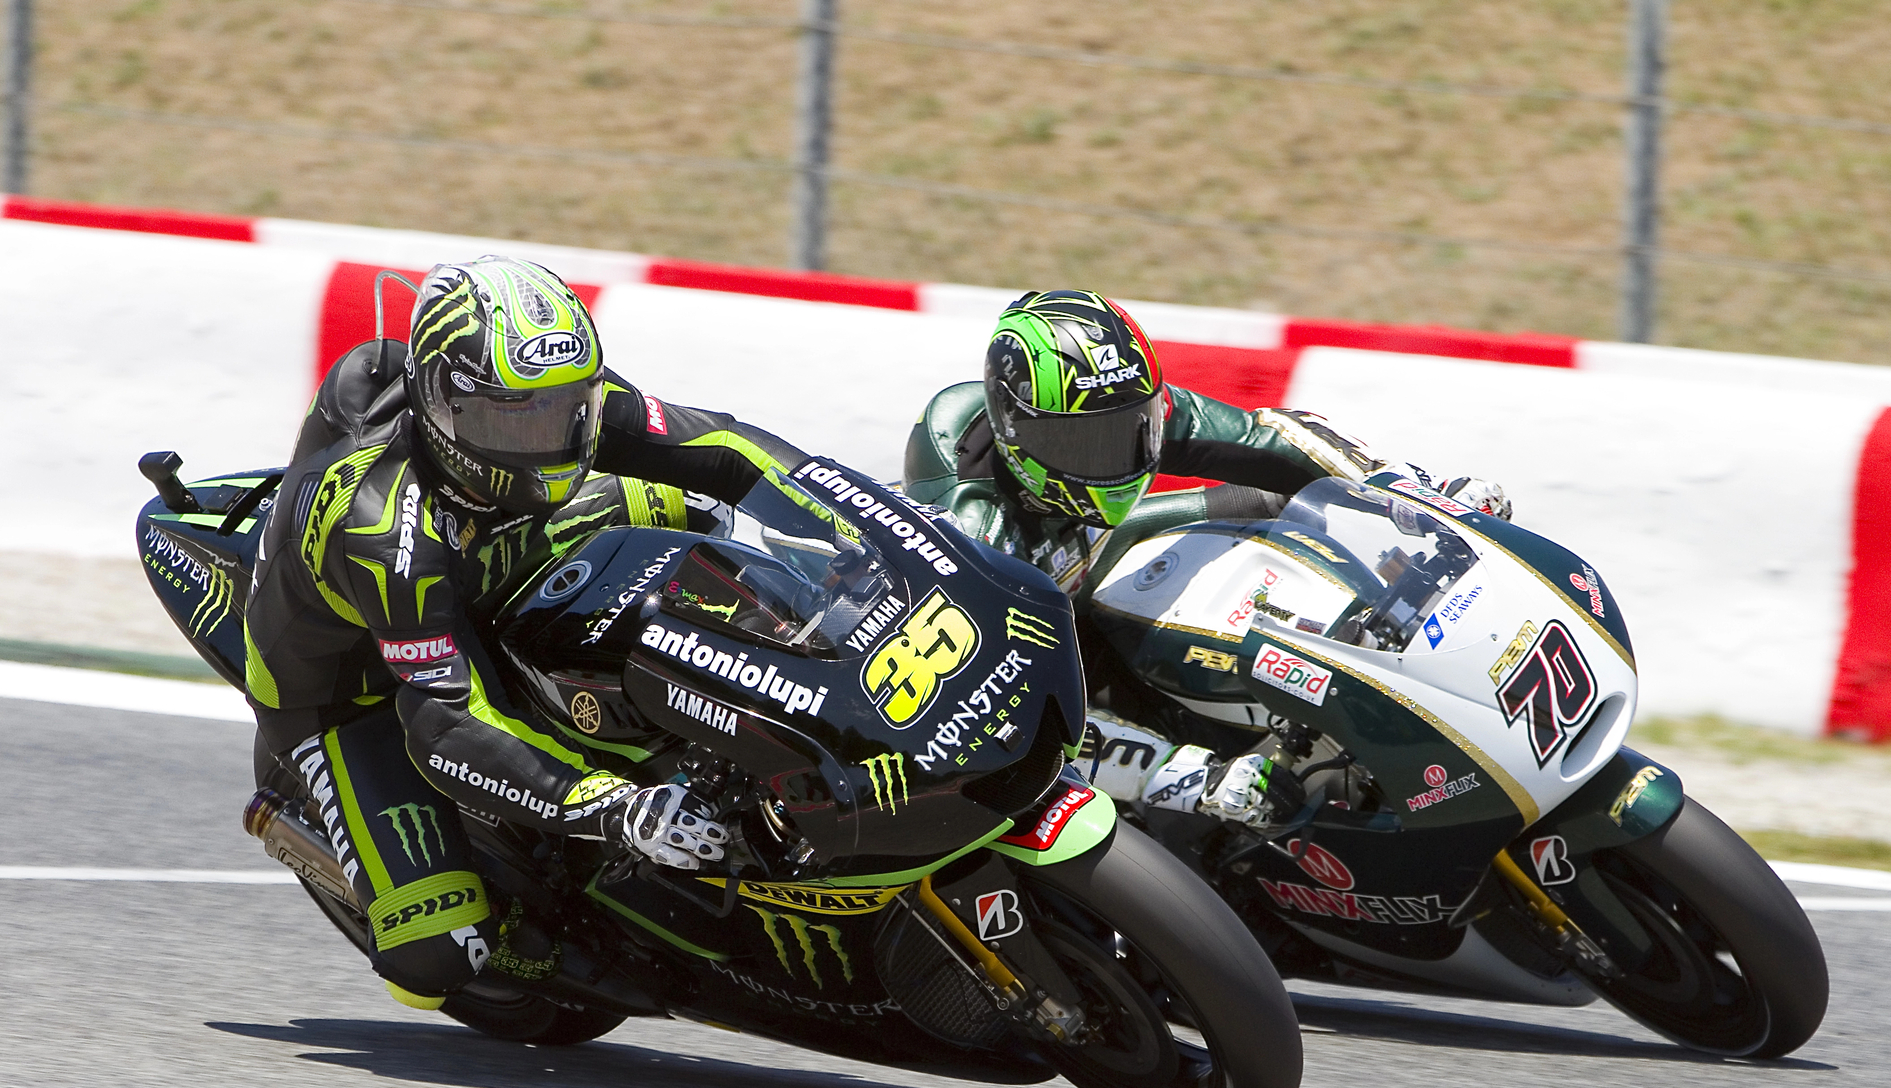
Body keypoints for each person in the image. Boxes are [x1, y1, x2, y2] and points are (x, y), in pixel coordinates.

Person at [244, 255, 809, 1009]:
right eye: (510, 417)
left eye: (557, 411)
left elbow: (729, 451)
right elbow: (443, 721)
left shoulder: (561, 405)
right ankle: (320, 828)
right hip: (356, 693)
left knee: (682, 504)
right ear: (443, 404)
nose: (540, 440)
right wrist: (614, 807)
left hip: (489, 567)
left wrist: (848, 512)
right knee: (438, 957)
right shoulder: (384, 531)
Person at [903, 288, 1510, 831]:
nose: (1115, 459)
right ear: (1017, 429)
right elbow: (1002, 722)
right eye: (1083, 444)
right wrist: (1191, 776)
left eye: (1130, 431)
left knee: (1265, 500)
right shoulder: (973, 531)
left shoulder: (1118, 404)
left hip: (1087, 550)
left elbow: (1268, 439)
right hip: (1010, 645)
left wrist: (1411, 495)